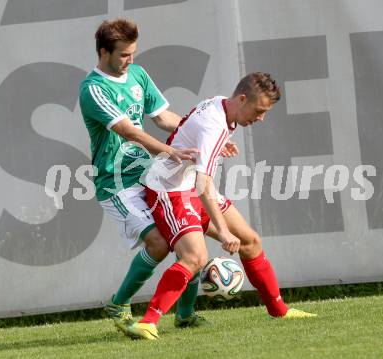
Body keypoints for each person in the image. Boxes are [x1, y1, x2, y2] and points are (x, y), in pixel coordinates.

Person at [79, 18, 235, 339]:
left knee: (185, 236)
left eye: (133, 53)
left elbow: (164, 117)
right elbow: (128, 130)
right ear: (104, 52)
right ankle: (119, 304)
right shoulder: (93, 89)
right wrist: (169, 151)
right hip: (117, 183)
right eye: (123, 55)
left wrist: (200, 140)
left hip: (148, 176)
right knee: (159, 242)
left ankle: (186, 314)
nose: (130, 61)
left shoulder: (137, 74)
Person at [133, 72, 317, 340]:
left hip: (189, 187)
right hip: (169, 190)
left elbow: (189, 132)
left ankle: (280, 311)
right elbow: (203, 184)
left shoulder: (222, 105)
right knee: (195, 258)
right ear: (242, 99)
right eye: (259, 110)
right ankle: (147, 322)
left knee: (250, 241)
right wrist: (223, 231)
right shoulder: (214, 126)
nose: (261, 118)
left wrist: (217, 146)